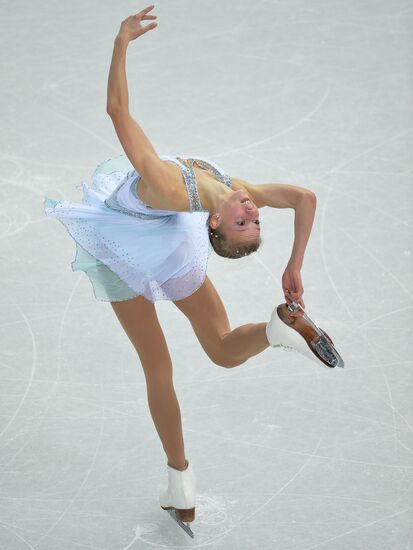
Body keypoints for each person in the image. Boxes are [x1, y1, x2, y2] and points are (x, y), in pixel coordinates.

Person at [43, 6, 324, 536]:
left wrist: (121, 41)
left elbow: (116, 111)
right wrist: (293, 266)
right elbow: (305, 197)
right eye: (255, 220)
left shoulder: (174, 188)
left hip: (122, 243)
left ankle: (181, 482)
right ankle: (270, 334)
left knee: (159, 367)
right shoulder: (232, 185)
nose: (254, 213)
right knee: (215, 349)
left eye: (246, 224)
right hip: (165, 242)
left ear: (214, 224)